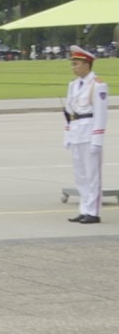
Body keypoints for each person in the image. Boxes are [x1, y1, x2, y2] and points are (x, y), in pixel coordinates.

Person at [64, 46, 109, 224]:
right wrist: (67, 135)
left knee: (92, 174)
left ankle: (93, 211)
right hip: (76, 132)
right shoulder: (73, 85)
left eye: (76, 64)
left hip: (89, 133)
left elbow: (101, 114)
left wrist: (97, 140)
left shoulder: (98, 85)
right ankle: (84, 209)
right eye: (73, 64)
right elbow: (69, 113)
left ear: (86, 64)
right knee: (80, 174)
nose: (73, 67)